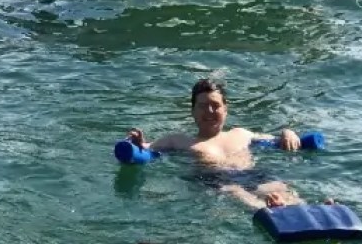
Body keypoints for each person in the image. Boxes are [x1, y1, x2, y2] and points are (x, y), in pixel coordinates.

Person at [127, 79, 330, 210]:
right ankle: (267, 210)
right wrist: (138, 145)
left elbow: (276, 139)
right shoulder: (179, 140)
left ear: (226, 109)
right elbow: (147, 149)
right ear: (193, 111)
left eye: (215, 105)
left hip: (252, 173)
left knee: (278, 187)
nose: (209, 111)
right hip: (215, 180)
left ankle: (314, 209)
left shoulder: (241, 134)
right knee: (234, 191)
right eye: (202, 106)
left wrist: (288, 132)